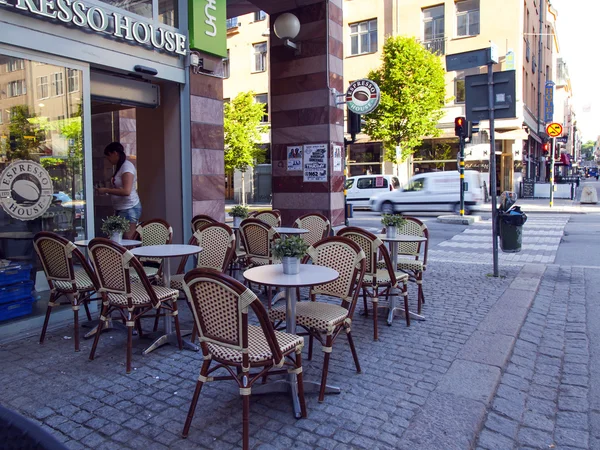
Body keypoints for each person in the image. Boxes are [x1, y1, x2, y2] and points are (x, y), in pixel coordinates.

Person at [96, 142, 141, 239]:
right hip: (122, 208)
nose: (108, 158)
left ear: (115, 153)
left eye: (108, 155)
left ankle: (131, 254)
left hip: (129, 207)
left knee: (128, 239)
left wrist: (106, 190)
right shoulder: (120, 166)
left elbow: (126, 191)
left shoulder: (126, 167)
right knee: (118, 238)